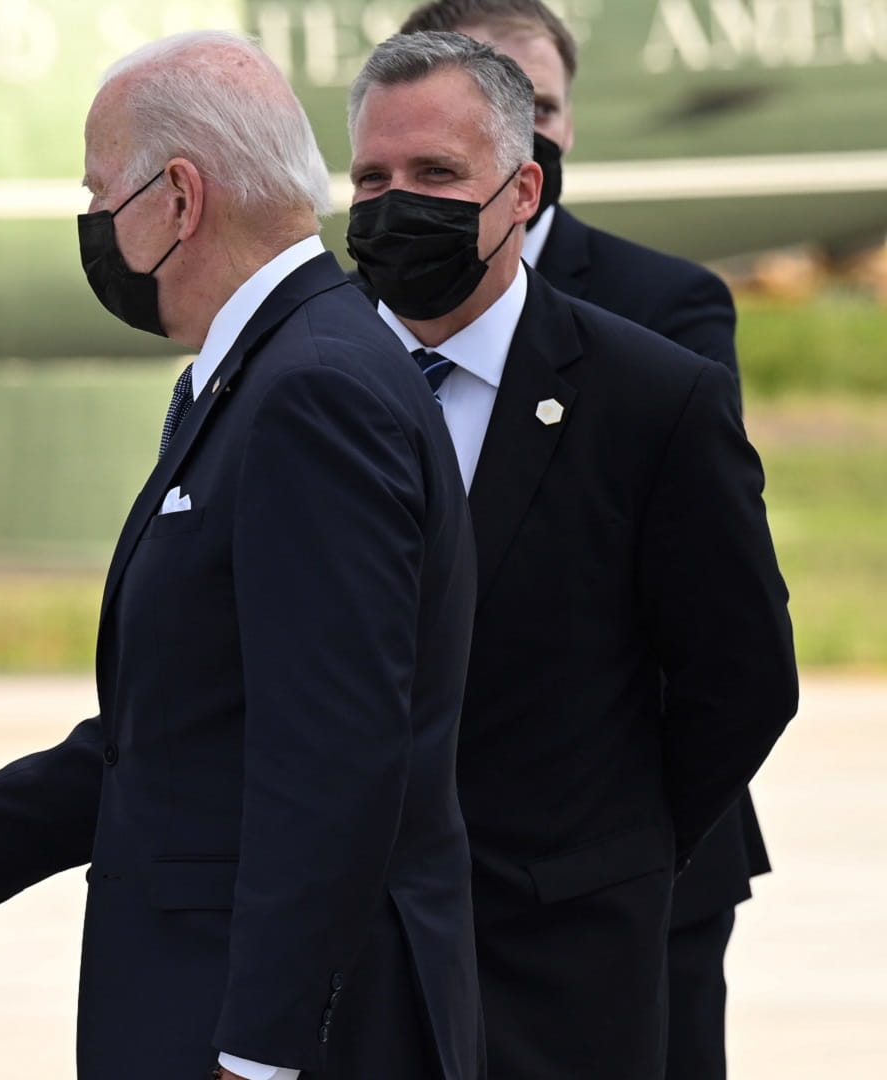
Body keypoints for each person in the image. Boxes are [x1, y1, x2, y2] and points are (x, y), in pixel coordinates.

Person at [0, 31, 482, 1080]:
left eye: (98, 192)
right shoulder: (262, 372)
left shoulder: (311, 393)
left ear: (178, 199)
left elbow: (333, 762)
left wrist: (260, 1052)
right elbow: (195, 726)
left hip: (276, 1034)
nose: (93, 225)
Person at [343, 31, 797, 1079]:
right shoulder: (303, 381)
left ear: (522, 188)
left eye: (437, 175)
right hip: (340, 963)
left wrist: (605, 852)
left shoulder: (656, 391)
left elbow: (741, 674)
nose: (395, 202)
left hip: (561, 964)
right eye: (373, 177)